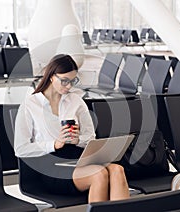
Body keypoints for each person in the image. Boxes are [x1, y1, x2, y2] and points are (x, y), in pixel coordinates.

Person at [14, 54, 130, 203]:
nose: (69, 86)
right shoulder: (30, 105)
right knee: (99, 173)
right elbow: (21, 149)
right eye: (64, 81)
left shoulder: (75, 100)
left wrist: (77, 140)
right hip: (51, 166)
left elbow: (90, 137)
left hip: (78, 159)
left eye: (72, 81)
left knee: (117, 170)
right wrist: (54, 144)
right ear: (51, 77)